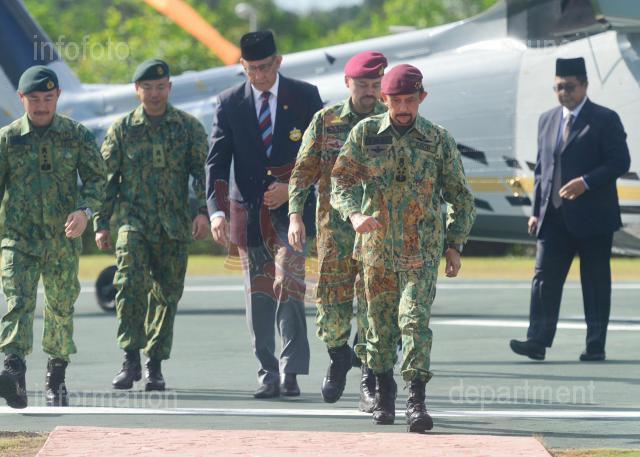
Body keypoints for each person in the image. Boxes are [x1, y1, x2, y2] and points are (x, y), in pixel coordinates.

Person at [331, 64, 475, 432]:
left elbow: (460, 196)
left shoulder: (437, 139)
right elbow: (341, 182)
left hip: (421, 251)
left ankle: (417, 401)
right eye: (396, 101)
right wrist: (354, 214)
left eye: (410, 100)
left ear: (422, 98)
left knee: (414, 322)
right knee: (378, 328)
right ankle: (384, 394)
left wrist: (454, 243)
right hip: (376, 250)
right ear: (384, 99)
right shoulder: (365, 134)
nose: (404, 108)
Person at [206, 31, 323, 399]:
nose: (258, 75)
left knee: (289, 285)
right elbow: (217, 163)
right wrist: (216, 211)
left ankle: (291, 370)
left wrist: (292, 188)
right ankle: (267, 371)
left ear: (279, 62)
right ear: (243, 66)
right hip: (247, 214)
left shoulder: (305, 96)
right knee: (258, 294)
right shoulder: (229, 103)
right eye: (251, 68)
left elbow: (322, 155)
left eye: (265, 67)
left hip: (293, 214)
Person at [94, 59, 210, 391]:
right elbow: (107, 180)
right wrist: (101, 223)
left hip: (173, 225)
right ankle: (130, 358)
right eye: (148, 88)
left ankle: (154, 364)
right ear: (137, 90)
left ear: (169, 88)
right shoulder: (122, 129)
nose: (155, 93)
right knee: (129, 285)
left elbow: (202, 173)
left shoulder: (187, 127)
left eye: (160, 87)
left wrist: (203, 212)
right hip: (134, 223)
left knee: (167, 294)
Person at [510, 57, 630, 362]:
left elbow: (620, 162)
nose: (564, 93)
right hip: (554, 217)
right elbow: (542, 170)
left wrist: (586, 182)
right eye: (558, 87)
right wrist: (536, 211)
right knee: (543, 280)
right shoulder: (547, 119)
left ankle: (595, 345)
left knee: (595, 283)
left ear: (585, 86)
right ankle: (537, 341)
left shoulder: (605, 119)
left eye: (570, 87)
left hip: (594, 218)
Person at [0, 66, 106, 408]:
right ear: (21, 98)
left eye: (48, 98)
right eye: (34, 99)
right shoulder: (7, 139)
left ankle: (56, 375)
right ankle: (13, 373)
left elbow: (97, 180)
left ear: (58, 96)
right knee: (18, 302)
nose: (42, 105)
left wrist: (84, 212)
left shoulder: (76, 135)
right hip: (18, 238)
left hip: (62, 240)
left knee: (60, 307)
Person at [288, 51, 388, 411]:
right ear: (347, 83)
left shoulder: (390, 119)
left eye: (375, 84)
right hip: (335, 231)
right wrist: (295, 215)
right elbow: (303, 171)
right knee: (331, 303)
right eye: (362, 84)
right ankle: (339, 355)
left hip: (378, 230)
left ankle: (369, 379)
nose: (369, 91)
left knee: (374, 304)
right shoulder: (326, 120)